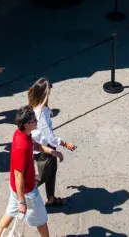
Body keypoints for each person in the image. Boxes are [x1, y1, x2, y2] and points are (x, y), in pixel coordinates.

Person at [0, 106, 51, 237]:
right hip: (27, 191)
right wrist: (22, 202)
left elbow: (34, 145)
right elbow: (18, 175)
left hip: (16, 188)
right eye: (33, 120)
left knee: (9, 213)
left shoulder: (20, 134)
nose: (36, 121)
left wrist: (52, 151)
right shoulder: (22, 147)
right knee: (41, 221)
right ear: (26, 125)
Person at [27, 78, 77, 208]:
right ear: (45, 93)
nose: (50, 93)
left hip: (43, 147)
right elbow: (49, 136)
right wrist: (65, 144)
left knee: (52, 172)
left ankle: (51, 198)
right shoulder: (42, 113)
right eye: (49, 91)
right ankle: (24, 197)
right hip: (44, 149)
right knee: (42, 176)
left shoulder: (36, 106)